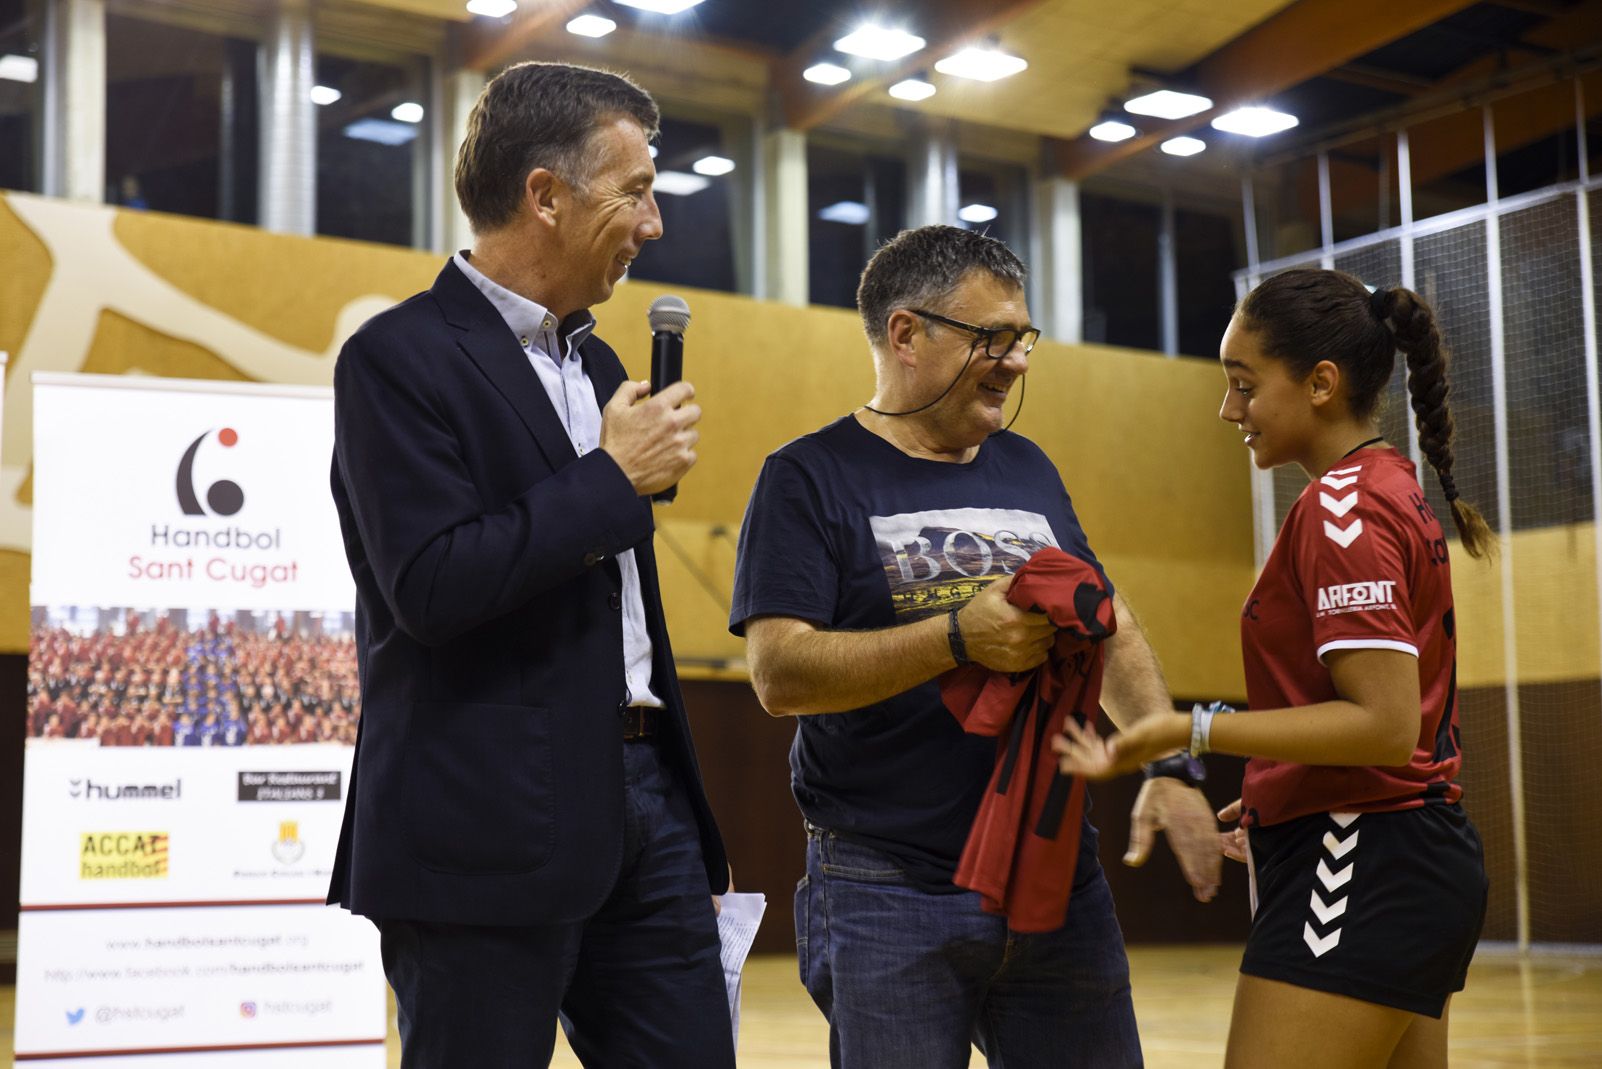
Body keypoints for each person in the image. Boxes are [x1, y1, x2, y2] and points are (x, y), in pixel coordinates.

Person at [730, 224, 1222, 1069]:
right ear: (906, 333)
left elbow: (1112, 620)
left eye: (1022, 338)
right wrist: (958, 637)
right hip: (888, 890)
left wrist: (1166, 764)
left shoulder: (1026, 465)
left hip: (1057, 882)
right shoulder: (807, 475)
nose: (1016, 360)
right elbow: (780, 674)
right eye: (989, 338)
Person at [325, 61, 734, 1069]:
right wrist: (611, 478)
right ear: (545, 195)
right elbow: (429, 584)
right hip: (481, 821)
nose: (655, 225)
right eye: (636, 191)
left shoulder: (597, 365)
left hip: (648, 801)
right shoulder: (397, 356)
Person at [1055, 268, 1490, 1068]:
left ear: (1321, 383)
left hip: (1363, 858)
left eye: (1244, 384)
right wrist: (1280, 789)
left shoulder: (1342, 510)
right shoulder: (1389, 485)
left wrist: (1187, 726)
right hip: (1402, 854)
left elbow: (1388, 725)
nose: (1229, 409)